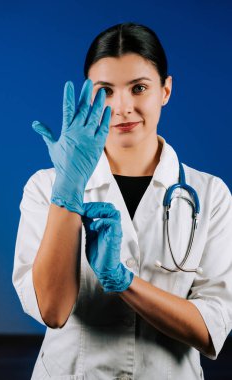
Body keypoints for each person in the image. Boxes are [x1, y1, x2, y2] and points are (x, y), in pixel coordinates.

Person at [12, 22, 232, 380]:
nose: (122, 106)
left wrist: (123, 280)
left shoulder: (211, 195)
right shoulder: (46, 187)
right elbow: (52, 311)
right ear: (87, 95)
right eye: (105, 91)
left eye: (139, 88)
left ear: (166, 90)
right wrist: (68, 191)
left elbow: (211, 329)